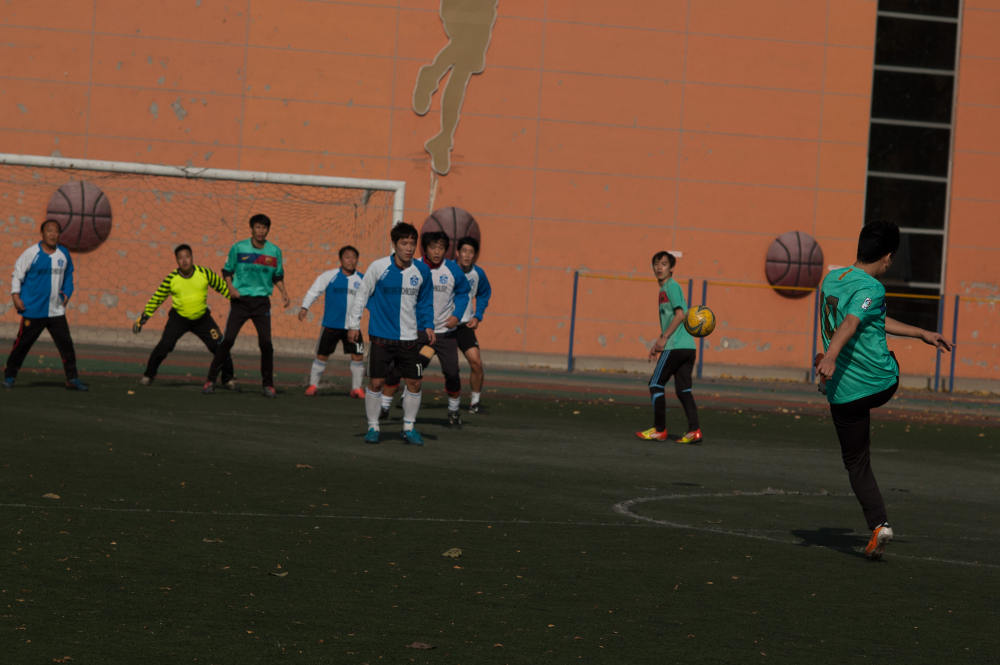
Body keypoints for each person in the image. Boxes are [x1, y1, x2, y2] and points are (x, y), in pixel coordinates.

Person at [816, 221, 951, 560]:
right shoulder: (873, 288)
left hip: (843, 391)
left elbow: (859, 319)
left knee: (856, 463)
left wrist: (921, 332)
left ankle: (878, 524)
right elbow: (852, 322)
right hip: (881, 382)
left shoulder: (832, 279)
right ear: (888, 257)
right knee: (883, 364)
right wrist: (830, 356)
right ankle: (880, 527)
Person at [347, 222, 435, 445]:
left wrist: (428, 325)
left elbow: (425, 301)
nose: (409, 248)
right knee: (376, 383)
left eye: (412, 243)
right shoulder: (378, 267)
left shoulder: (422, 271)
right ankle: (373, 427)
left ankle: (409, 427)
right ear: (394, 244)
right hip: (381, 337)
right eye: (404, 243)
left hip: (410, 339)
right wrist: (353, 325)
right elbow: (361, 295)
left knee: (415, 383)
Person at [381, 232, 470, 426]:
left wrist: (457, 316)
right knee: (398, 368)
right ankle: (384, 406)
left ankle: (454, 410)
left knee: (452, 373)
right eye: (433, 247)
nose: (437, 252)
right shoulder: (415, 267)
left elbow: (464, 293)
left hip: (445, 332)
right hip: (417, 330)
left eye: (441, 248)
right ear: (425, 249)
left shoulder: (453, 269)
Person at [203, 213, 290, 398]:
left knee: (266, 343)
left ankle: (268, 385)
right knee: (228, 340)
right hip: (240, 301)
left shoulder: (274, 251)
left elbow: (277, 276)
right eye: (257, 227)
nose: (261, 231)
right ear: (251, 229)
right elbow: (227, 271)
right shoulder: (239, 247)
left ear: (268, 230)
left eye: (264, 228)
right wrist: (231, 288)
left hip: (261, 303)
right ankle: (210, 380)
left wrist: (284, 292)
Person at [412, 0, 499, 174]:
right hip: (464, 7)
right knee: (465, 50)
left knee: (464, 70)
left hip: (483, 10)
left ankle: (443, 139)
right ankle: (431, 75)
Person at [133, 244, 234, 387]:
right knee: (165, 345)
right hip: (179, 319)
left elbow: (223, 287)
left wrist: (238, 301)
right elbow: (157, 298)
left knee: (220, 346)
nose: (184, 260)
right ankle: (148, 375)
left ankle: (228, 379)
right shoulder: (171, 278)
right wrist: (144, 317)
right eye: (180, 258)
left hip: (202, 319)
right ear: (176, 261)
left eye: (187, 256)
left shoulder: (204, 273)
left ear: (192, 257)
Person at [3, 219, 87, 390]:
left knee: (66, 346)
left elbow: (68, 276)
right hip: (33, 310)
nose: (53, 234)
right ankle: (10, 376)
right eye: (49, 231)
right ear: (42, 233)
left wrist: (67, 293)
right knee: (22, 345)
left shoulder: (63, 253)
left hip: (56, 311)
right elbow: (17, 275)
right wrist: (15, 296)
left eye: (56, 231)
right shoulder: (31, 253)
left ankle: (72, 379)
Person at [635, 251, 701, 443]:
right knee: (683, 390)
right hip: (688, 347)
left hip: (675, 346)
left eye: (664, 264)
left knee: (655, 384)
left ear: (671, 269)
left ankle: (659, 430)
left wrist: (663, 338)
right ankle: (694, 431)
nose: (659, 267)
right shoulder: (665, 289)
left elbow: (680, 314)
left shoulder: (671, 287)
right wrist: (659, 343)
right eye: (656, 264)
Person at [298, 245, 366, 397]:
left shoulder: (362, 279)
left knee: (358, 356)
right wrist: (305, 307)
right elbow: (314, 291)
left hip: (353, 327)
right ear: (341, 259)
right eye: (347, 257)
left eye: (354, 257)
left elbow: (372, 299)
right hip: (331, 325)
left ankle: (356, 388)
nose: (351, 260)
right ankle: (313, 385)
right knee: (322, 355)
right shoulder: (329, 276)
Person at [454, 235, 491, 413]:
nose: (467, 255)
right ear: (457, 253)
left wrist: (477, 316)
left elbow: (484, 294)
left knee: (476, 363)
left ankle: (474, 403)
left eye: (471, 252)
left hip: (464, 326)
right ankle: (408, 393)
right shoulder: (447, 269)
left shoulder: (478, 274)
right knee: (420, 361)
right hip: (442, 326)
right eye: (464, 251)